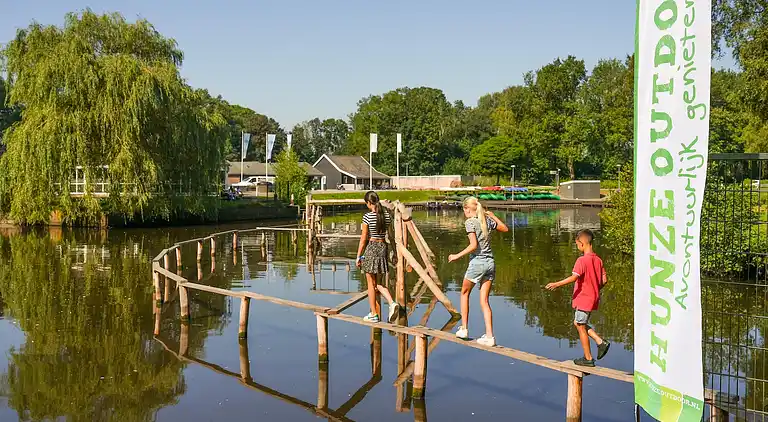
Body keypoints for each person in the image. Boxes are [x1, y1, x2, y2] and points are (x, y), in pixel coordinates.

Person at [448, 197, 508, 346]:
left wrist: (456, 256)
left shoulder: (470, 222)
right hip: (490, 263)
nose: (464, 213)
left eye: (464, 210)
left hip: (478, 263)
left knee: (464, 293)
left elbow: (473, 245)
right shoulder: (487, 220)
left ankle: (464, 328)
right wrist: (493, 216)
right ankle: (489, 336)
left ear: (468, 209)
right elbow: (505, 229)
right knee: (485, 301)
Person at [546, 229, 610, 367]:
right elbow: (604, 280)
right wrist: (595, 289)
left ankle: (588, 358)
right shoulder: (598, 260)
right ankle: (600, 342)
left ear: (582, 244)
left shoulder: (582, 260)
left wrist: (557, 284)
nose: (577, 247)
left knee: (580, 325)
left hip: (584, 298)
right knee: (578, 322)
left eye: (577, 245)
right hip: (593, 298)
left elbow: (574, 277)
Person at [356, 191, 399, 323]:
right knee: (378, 283)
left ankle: (374, 313)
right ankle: (392, 303)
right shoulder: (387, 216)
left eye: (367, 204)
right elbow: (391, 236)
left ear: (369, 203)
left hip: (372, 247)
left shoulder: (367, 217)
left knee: (370, 283)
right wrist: (395, 252)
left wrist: (358, 256)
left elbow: (363, 239)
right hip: (383, 248)